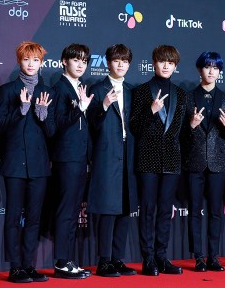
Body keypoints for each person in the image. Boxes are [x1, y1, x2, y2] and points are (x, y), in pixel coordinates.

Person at [0, 41, 54, 283]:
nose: (31, 64)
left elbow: (52, 132)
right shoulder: (7, 90)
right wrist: (21, 110)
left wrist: (42, 116)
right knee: (12, 217)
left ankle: (29, 265)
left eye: (35, 60)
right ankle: (15, 267)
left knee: (34, 218)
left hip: (39, 165)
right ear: (19, 61)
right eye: (27, 60)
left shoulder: (48, 91)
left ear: (41, 63)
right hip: (14, 164)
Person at [130, 45, 187, 276]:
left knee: (165, 210)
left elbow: (181, 131)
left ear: (175, 66)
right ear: (154, 63)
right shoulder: (142, 91)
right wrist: (151, 111)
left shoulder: (181, 94)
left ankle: (162, 257)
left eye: (170, 63)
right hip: (147, 157)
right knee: (149, 209)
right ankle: (148, 259)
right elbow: (134, 126)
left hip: (172, 159)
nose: (166, 66)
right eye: (162, 61)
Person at [182, 51, 225, 272]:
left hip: (218, 163)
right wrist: (192, 126)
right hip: (194, 162)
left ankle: (214, 256)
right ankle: (198, 256)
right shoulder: (187, 97)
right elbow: (180, 136)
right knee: (194, 210)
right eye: (207, 67)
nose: (211, 71)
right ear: (199, 69)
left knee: (216, 211)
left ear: (220, 72)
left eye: (216, 68)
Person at [87, 44, 138, 277]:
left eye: (125, 61)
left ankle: (118, 259)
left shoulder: (131, 91)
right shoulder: (97, 89)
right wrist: (104, 106)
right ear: (108, 62)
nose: (121, 64)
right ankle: (104, 261)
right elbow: (90, 126)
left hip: (128, 152)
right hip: (106, 153)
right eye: (117, 60)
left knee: (126, 208)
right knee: (108, 210)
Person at [50, 43, 93, 279]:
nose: (80, 64)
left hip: (80, 158)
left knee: (74, 210)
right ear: (64, 61)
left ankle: (67, 260)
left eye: (84, 61)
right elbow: (55, 125)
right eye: (75, 60)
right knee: (66, 210)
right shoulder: (59, 89)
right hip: (66, 158)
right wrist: (79, 109)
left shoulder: (80, 88)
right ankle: (61, 262)